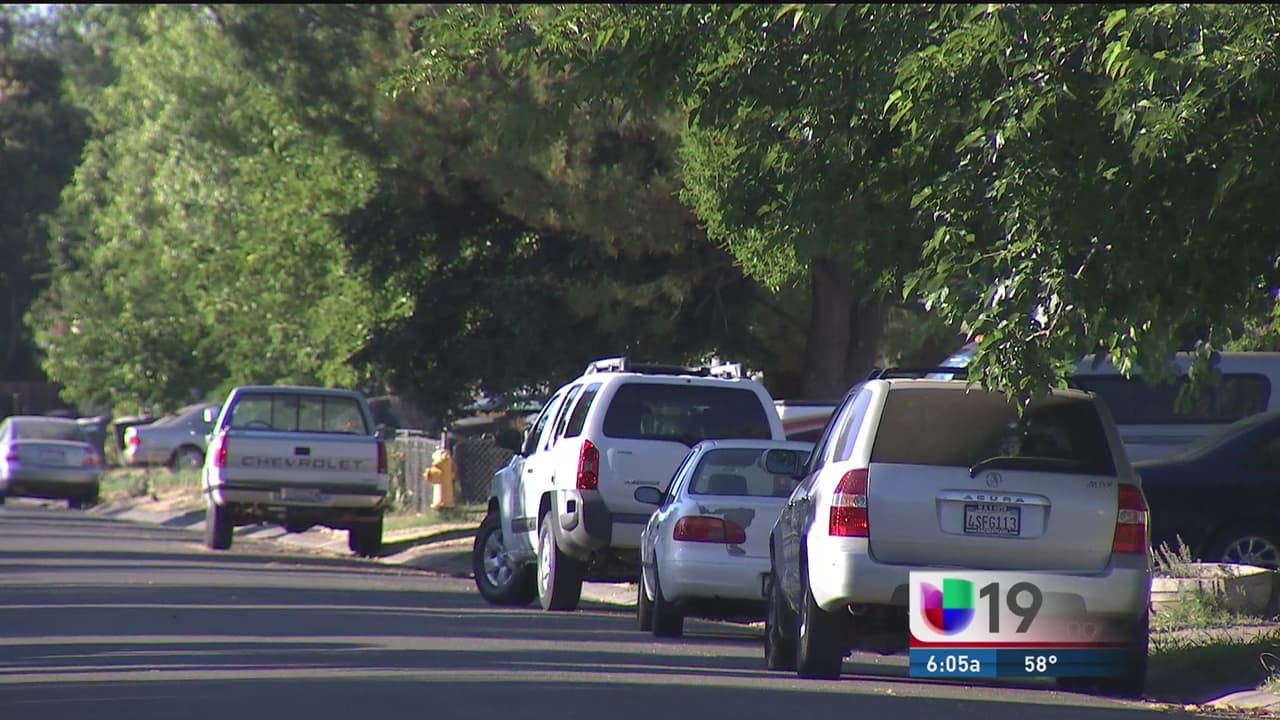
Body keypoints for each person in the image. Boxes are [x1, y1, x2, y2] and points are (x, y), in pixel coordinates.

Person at [424, 432, 457, 509]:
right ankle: (443, 503)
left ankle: (445, 504)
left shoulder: (442, 457)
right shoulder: (441, 456)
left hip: (446, 479)